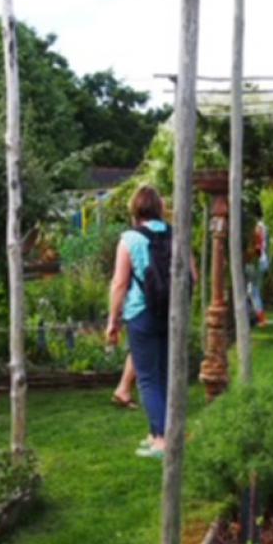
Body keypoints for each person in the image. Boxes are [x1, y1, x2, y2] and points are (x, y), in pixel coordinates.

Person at [105, 186, 172, 458]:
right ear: (158, 207)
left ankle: (162, 439)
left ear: (135, 209)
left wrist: (113, 320)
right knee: (164, 375)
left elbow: (120, 283)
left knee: (147, 380)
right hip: (170, 313)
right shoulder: (174, 234)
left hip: (140, 313)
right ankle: (158, 431)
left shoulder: (129, 239)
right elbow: (191, 273)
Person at [246, 208, 270, 327]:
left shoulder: (256, 228)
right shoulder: (265, 227)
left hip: (256, 261)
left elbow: (257, 247)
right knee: (253, 290)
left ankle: (260, 318)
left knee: (252, 291)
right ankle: (256, 316)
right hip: (263, 261)